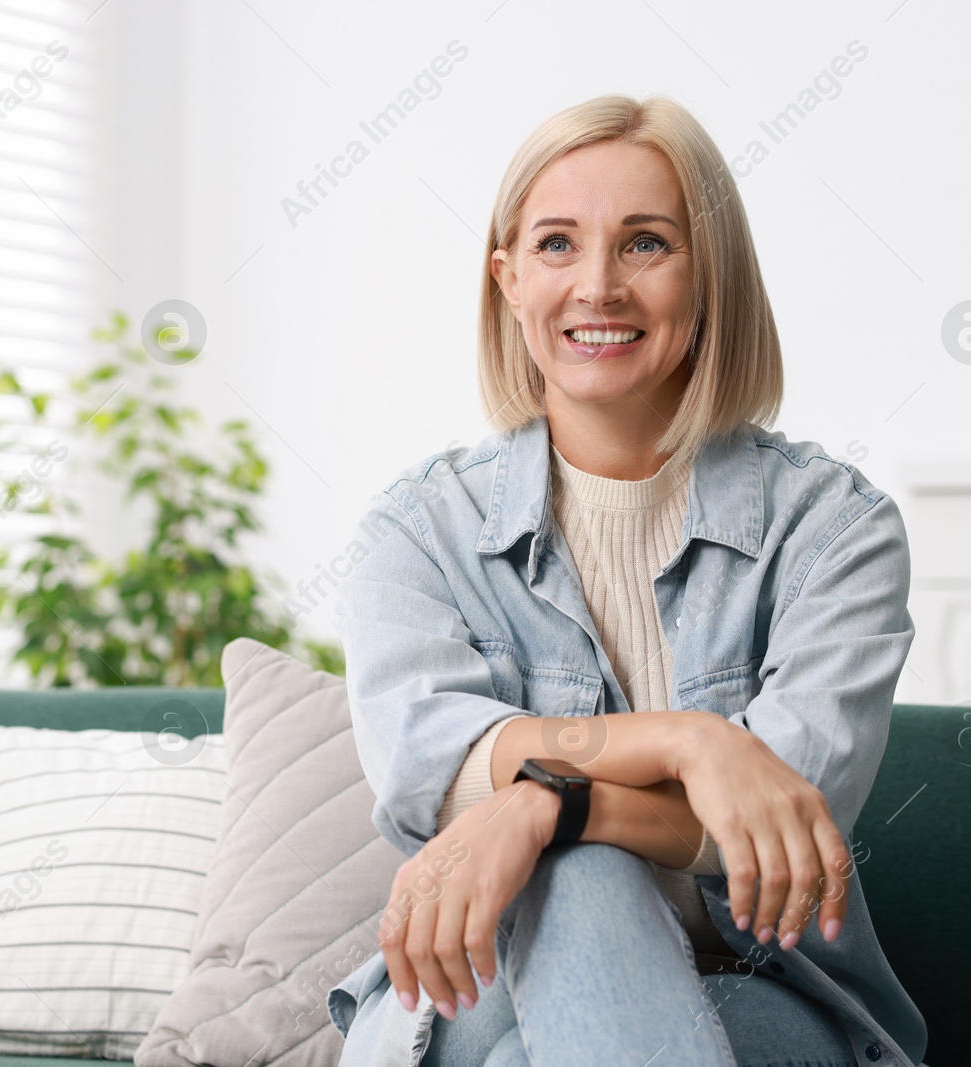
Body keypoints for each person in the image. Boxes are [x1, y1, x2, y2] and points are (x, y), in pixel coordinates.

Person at [323, 93, 928, 1067]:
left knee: (578, 874)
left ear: (709, 275)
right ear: (508, 279)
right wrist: (684, 741)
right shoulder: (418, 529)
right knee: (583, 883)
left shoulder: (833, 530)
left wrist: (547, 801)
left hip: (759, 986)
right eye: (557, 244)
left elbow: (770, 828)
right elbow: (431, 775)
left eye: (644, 244)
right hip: (468, 988)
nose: (597, 286)